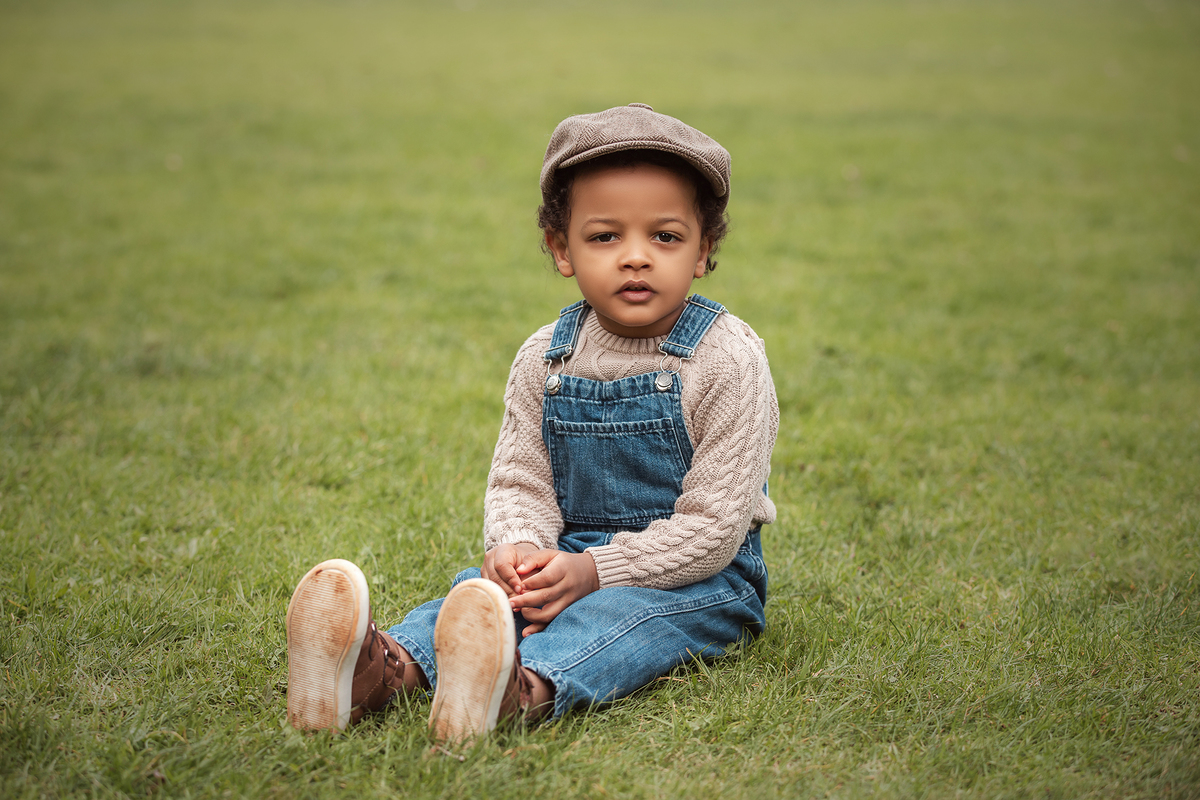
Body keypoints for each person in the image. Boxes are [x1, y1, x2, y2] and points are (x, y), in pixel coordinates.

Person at [285, 103, 779, 744]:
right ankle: (381, 670)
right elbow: (522, 477)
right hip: (568, 556)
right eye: (605, 237)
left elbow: (713, 530)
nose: (635, 258)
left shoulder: (728, 359)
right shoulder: (545, 356)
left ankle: (521, 688)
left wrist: (597, 573)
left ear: (704, 250)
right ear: (561, 248)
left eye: (665, 236)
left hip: (702, 578)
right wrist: (519, 550)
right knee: (479, 599)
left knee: (621, 618)